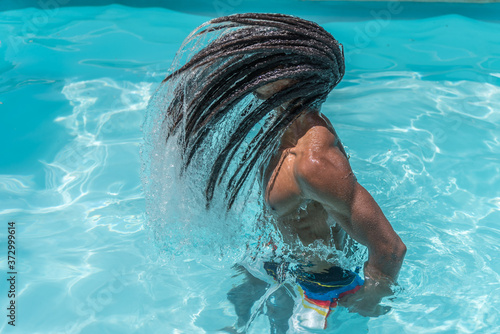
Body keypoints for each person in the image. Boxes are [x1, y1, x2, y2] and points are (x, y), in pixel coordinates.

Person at [152, 13, 406, 332]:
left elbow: (390, 248)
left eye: (269, 66)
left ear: (291, 80)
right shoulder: (282, 126)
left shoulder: (314, 162)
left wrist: (369, 301)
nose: (256, 71)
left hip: (321, 286)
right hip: (283, 262)